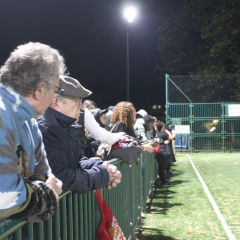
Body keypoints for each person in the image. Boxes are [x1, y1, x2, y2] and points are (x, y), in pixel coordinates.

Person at [0, 42, 64, 222]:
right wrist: (48, 195)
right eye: (55, 90)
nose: (54, 97)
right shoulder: (2, 114)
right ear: (40, 90)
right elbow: (5, 200)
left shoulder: (30, 122)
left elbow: (44, 174)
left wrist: (34, 193)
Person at [36, 76, 122, 194]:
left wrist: (102, 166)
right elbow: (62, 177)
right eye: (77, 101)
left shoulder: (64, 125)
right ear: (56, 101)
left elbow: (78, 160)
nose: (81, 107)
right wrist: (102, 175)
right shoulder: (48, 128)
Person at [154, 121, 175, 187]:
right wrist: (167, 131)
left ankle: (160, 180)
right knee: (162, 168)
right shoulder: (163, 134)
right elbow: (172, 137)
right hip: (162, 152)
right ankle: (163, 182)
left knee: (159, 167)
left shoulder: (156, 134)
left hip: (157, 152)